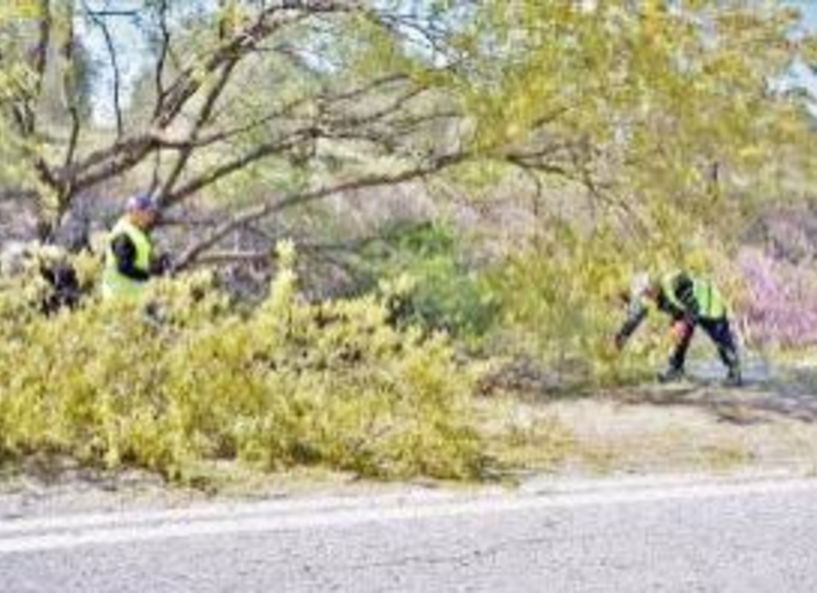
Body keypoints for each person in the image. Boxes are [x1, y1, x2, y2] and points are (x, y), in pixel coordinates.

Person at [614, 271, 742, 386]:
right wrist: (622, 336)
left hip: (710, 305)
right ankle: (676, 370)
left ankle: (734, 372)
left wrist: (683, 324)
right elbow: (637, 316)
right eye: (642, 294)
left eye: (646, 293)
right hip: (686, 310)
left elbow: (694, 307)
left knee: (720, 339)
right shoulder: (650, 297)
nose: (645, 297)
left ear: (652, 287)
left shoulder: (675, 283)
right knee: (679, 338)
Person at [101, 194, 169, 300]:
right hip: (118, 298)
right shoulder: (123, 234)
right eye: (148, 213)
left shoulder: (136, 232)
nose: (150, 218)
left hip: (133, 297)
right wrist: (150, 274)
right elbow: (124, 267)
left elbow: (139, 261)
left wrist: (157, 265)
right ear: (135, 212)